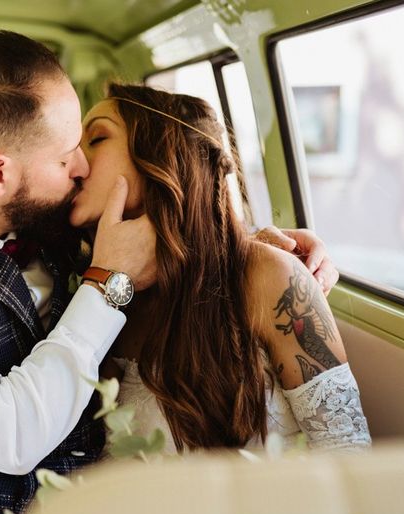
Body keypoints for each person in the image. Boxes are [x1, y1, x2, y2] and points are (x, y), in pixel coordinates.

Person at [0, 31, 337, 514]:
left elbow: (174, 217)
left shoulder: (62, 222)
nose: (82, 167)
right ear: (0, 175)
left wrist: (256, 249)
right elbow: (11, 437)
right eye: (67, 153)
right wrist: (106, 282)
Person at [70, 83, 371, 454]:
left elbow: (346, 449)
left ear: (161, 158)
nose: (75, 161)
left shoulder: (268, 277)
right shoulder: (86, 286)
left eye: (96, 138)